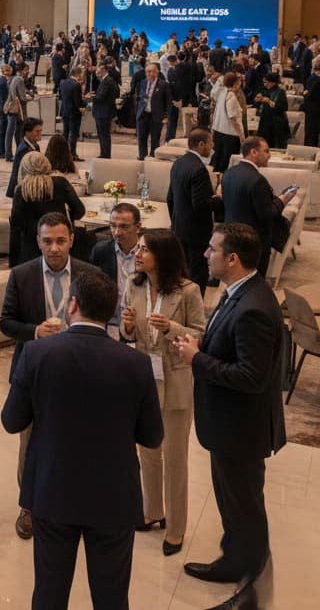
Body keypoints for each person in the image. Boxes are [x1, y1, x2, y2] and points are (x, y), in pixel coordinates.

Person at [1, 269, 163, 610]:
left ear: (72, 305)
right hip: (113, 495)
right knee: (111, 595)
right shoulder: (136, 364)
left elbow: (11, 420)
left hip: (52, 489)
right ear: (112, 311)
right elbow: (152, 436)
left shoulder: (36, 354)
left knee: (49, 591)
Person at [176, 223, 286, 609]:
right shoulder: (238, 292)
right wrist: (204, 343)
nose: (206, 254)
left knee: (246, 509)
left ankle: (253, 592)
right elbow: (234, 348)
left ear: (232, 259)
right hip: (228, 427)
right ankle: (232, 561)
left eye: (212, 249)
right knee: (232, 503)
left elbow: (251, 377)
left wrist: (196, 359)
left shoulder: (254, 307)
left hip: (242, 430)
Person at [0, 213, 98, 540]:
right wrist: (35, 331)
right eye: (47, 241)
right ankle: (28, 507)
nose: (53, 248)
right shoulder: (21, 275)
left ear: (71, 239)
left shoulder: (90, 274)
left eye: (60, 240)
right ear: (38, 241)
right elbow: (6, 323)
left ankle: (71, 500)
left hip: (78, 372)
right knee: (29, 441)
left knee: (75, 439)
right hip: (33, 372)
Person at [120, 229, 205, 557]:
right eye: (138, 249)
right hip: (143, 378)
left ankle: (177, 527)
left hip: (176, 380)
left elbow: (200, 334)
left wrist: (171, 329)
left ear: (164, 255)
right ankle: (152, 510)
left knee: (175, 458)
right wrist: (128, 325)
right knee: (148, 451)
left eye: (144, 249)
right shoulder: (133, 284)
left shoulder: (188, 291)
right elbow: (128, 335)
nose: (137, 254)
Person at [221, 137, 294, 275]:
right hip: (253, 242)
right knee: (253, 283)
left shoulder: (229, 172)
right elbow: (267, 214)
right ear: (253, 152)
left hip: (231, 238)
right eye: (266, 151)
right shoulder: (257, 180)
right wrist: (283, 200)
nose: (269, 155)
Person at [167, 128, 221, 294]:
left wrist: (176, 222)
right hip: (197, 234)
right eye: (211, 143)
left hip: (179, 229)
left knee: (181, 274)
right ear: (201, 144)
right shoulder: (199, 169)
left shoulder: (179, 163)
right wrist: (218, 198)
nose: (212, 148)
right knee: (197, 276)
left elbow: (170, 198)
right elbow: (201, 205)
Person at [9, 153, 85, 267]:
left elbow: (16, 222)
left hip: (30, 250)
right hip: (59, 243)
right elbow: (80, 210)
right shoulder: (60, 182)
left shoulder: (21, 190)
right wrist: (66, 221)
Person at [89, 202, 142, 336]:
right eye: (113, 226)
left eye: (124, 227)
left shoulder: (147, 253)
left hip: (139, 323)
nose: (117, 232)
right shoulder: (101, 251)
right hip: (108, 322)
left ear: (138, 227)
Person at [135, 61, 171, 160]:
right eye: (147, 72)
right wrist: (137, 113)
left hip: (156, 116)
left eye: (152, 71)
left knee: (155, 140)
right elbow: (138, 99)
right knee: (141, 138)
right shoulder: (142, 83)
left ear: (157, 72)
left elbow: (168, 103)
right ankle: (142, 157)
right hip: (143, 115)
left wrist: (166, 116)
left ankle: (153, 157)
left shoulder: (164, 85)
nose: (149, 74)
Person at [212, 71, 245, 173]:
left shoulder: (221, 92)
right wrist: (241, 136)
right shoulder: (231, 96)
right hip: (230, 134)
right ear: (235, 83)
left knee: (218, 159)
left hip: (218, 130)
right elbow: (233, 118)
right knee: (227, 162)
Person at [5, 116, 42, 199]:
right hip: (22, 189)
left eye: (40, 131)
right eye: (37, 131)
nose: (40, 133)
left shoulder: (35, 146)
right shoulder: (24, 149)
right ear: (27, 132)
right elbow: (27, 174)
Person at [87, 63, 119, 158]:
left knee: (103, 135)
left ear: (104, 71)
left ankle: (105, 154)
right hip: (104, 112)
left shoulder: (107, 81)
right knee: (103, 135)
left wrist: (91, 97)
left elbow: (101, 97)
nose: (97, 74)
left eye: (98, 72)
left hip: (103, 112)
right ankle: (104, 153)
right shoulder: (107, 81)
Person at [255, 72, 290, 150]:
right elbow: (259, 105)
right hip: (265, 121)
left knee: (275, 147)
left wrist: (269, 102)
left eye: (266, 82)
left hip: (276, 124)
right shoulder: (265, 90)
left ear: (272, 82)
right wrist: (258, 100)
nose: (265, 84)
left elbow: (284, 107)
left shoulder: (280, 92)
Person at [58, 66, 85, 159]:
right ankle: (73, 153)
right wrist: (84, 102)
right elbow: (77, 101)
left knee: (65, 132)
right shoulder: (76, 85)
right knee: (74, 133)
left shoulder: (63, 83)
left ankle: (63, 152)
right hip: (74, 112)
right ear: (77, 74)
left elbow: (62, 96)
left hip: (65, 111)